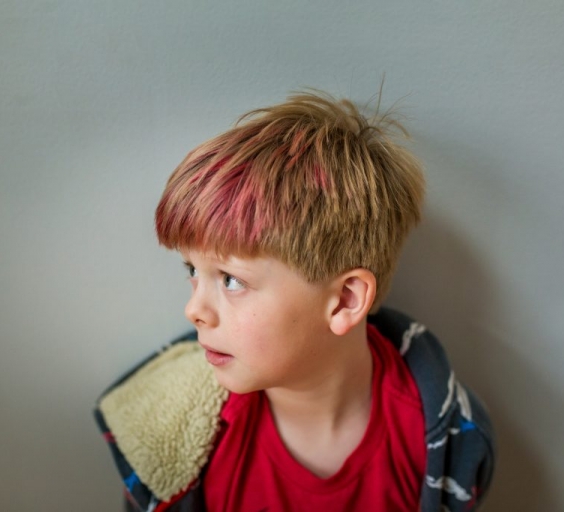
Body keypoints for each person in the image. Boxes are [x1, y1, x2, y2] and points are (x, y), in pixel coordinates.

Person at [94, 91, 495, 511]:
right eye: (192, 271)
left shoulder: (449, 441)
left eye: (231, 280)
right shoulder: (169, 435)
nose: (194, 310)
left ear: (343, 301)